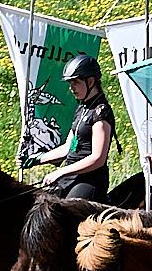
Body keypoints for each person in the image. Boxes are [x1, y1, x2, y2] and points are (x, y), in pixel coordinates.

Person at [40, 55, 115, 200]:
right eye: (69, 83)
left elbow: (98, 158)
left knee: (64, 214)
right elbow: (68, 147)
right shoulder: (82, 108)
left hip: (89, 181)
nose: (71, 88)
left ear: (91, 81)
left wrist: (61, 172)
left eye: (75, 82)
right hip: (70, 177)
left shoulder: (101, 112)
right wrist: (37, 158)